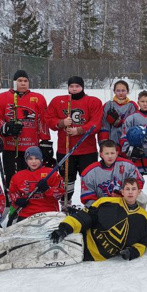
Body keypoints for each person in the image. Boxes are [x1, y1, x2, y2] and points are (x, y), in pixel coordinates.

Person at [48, 178, 147, 261]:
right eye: (127, 189)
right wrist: (65, 228)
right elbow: (86, 217)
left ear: (139, 192)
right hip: (81, 241)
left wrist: (132, 252)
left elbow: (142, 242)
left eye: (133, 189)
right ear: (122, 191)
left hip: (99, 257)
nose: (130, 192)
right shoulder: (106, 203)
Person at [44, 76, 102, 204]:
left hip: (87, 150)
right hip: (65, 149)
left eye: (77, 86)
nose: (74, 89)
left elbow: (96, 123)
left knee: (88, 179)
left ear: (82, 87)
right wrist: (61, 122)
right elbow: (48, 119)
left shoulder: (93, 101)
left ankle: (90, 204)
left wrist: (79, 130)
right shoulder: (58, 101)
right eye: (71, 86)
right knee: (67, 179)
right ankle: (66, 203)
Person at [0, 70, 51, 186]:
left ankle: (31, 202)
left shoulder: (38, 98)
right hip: (10, 147)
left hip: (31, 148)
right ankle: (12, 200)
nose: (23, 83)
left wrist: (45, 141)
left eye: (25, 81)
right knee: (12, 177)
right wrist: (4, 129)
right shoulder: (1, 98)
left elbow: (43, 121)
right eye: (19, 81)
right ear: (14, 82)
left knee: (31, 177)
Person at [8, 146, 65, 223]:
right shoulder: (18, 176)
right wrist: (17, 200)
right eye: (30, 159)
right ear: (26, 160)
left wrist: (47, 189)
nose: (33, 162)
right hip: (27, 214)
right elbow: (12, 192)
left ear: (41, 159)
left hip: (49, 212)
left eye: (36, 158)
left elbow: (60, 193)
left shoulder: (51, 173)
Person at [80, 140, 144, 207]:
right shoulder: (89, 172)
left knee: (142, 198)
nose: (110, 156)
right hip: (101, 205)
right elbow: (87, 197)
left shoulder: (128, 166)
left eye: (112, 153)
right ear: (101, 154)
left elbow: (138, 182)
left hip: (124, 201)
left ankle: (136, 215)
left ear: (117, 153)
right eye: (107, 153)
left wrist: (124, 194)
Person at [99, 80, 138, 149]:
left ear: (127, 91)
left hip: (127, 141)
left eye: (123, 90)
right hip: (112, 141)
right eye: (118, 90)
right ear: (114, 91)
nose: (120, 93)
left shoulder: (132, 106)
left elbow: (134, 124)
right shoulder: (108, 105)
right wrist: (104, 141)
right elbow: (103, 124)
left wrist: (121, 122)